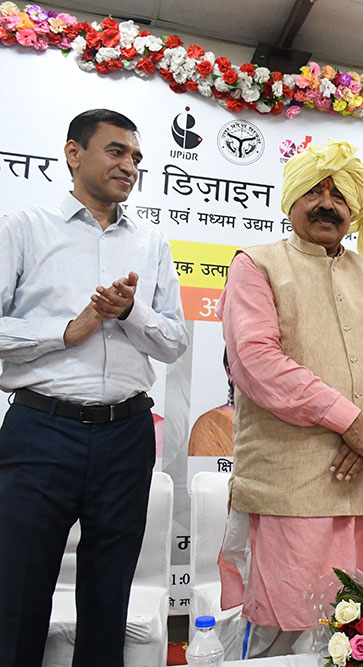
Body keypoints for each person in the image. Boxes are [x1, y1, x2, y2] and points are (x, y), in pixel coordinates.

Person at [217, 139, 363, 657]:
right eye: (313, 191)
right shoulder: (255, 264)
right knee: (287, 632)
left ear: (354, 211)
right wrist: (352, 421)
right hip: (292, 486)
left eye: (339, 194)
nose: (327, 203)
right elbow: (257, 361)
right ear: (290, 202)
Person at [0, 109, 189, 667]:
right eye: (115, 151)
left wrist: (131, 312)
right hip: (40, 431)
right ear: (73, 153)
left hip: (126, 434)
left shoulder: (151, 241)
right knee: (17, 596)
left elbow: (174, 340)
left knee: (110, 600)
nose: (129, 165)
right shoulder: (24, 227)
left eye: (135, 158)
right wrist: (65, 331)